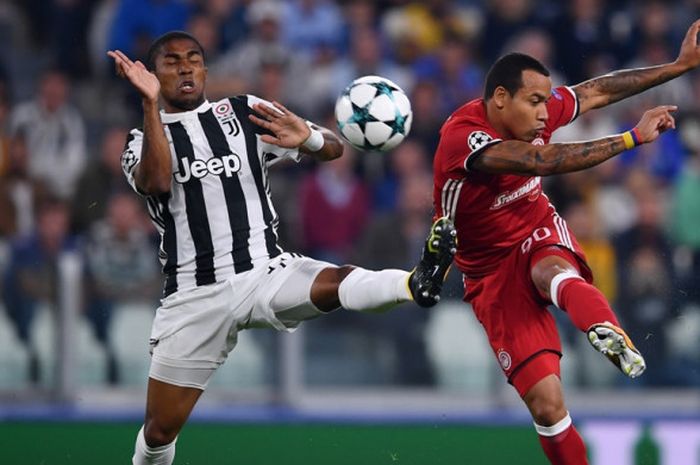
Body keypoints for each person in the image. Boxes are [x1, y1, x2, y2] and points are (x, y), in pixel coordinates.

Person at [107, 30, 456, 465]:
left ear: (206, 69)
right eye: (171, 61)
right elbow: (156, 182)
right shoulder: (139, 141)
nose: (184, 67)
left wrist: (307, 139)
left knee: (338, 280)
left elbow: (332, 147)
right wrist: (149, 104)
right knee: (159, 432)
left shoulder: (242, 112)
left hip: (264, 271)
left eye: (193, 58)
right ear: (154, 74)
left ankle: (416, 282)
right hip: (194, 296)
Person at [432, 20, 700, 465]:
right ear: (501, 98)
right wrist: (630, 138)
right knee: (548, 408)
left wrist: (679, 65)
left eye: (546, 101)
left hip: (535, 226)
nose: (545, 112)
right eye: (535, 101)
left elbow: (596, 92)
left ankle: (604, 327)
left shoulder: (534, 110)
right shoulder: (464, 138)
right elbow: (541, 159)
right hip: (487, 273)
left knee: (551, 270)